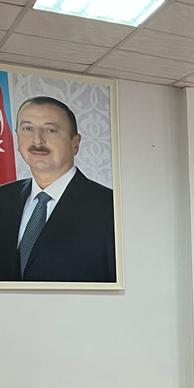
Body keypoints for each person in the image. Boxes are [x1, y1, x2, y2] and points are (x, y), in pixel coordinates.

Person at [0, 96, 115, 282]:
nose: (37, 140)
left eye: (50, 130)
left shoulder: (110, 207)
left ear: (75, 143)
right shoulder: (3, 198)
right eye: (27, 129)